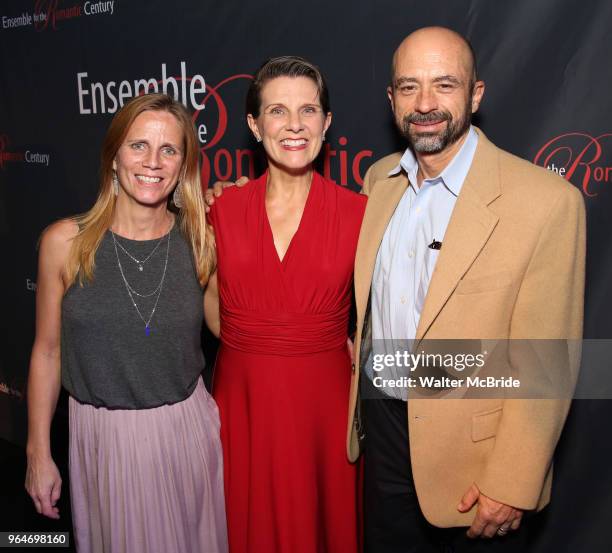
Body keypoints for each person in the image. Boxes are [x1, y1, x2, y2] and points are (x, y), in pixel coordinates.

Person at [346, 27, 586, 552]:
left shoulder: (547, 202)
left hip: (475, 459)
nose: (425, 103)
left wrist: (513, 480)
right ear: (391, 100)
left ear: (475, 94)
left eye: (444, 85)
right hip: (383, 433)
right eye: (408, 87)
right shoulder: (378, 180)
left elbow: (549, 360)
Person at [25, 93, 228, 553]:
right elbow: (47, 351)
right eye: (138, 145)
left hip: (185, 435)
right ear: (114, 156)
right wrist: (38, 450)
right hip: (103, 441)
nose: (153, 161)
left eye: (169, 150)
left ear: (183, 164)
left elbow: (235, 332)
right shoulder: (65, 243)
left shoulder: (201, 242)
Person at [204, 56, 366, 553]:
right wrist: (261, 338)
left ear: (327, 123)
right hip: (243, 400)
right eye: (277, 111)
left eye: (308, 110)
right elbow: (214, 313)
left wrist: (347, 342)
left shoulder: (361, 213)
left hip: (324, 405)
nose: (294, 125)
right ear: (254, 125)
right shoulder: (222, 210)